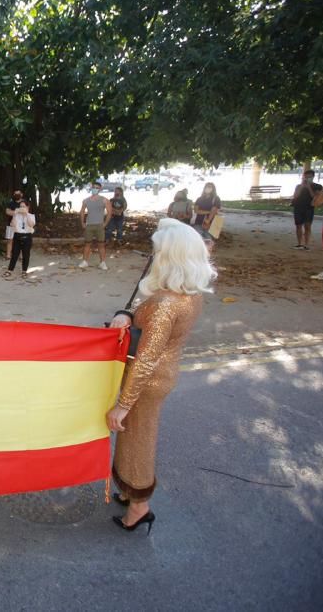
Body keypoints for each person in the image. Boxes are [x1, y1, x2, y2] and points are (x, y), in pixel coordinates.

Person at [107, 218, 216, 534]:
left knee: (137, 439)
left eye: (157, 252)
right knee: (132, 438)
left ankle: (139, 506)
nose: (152, 257)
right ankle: (129, 491)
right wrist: (127, 315)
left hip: (148, 381)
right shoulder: (188, 293)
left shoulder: (165, 304)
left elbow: (145, 360)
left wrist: (122, 405)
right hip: (163, 375)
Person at [79, 181, 111, 270]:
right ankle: (85, 261)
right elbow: (82, 212)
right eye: (93, 187)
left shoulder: (104, 200)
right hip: (89, 225)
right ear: (91, 188)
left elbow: (109, 213)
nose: (95, 189)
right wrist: (82, 223)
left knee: (101, 244)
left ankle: (102, 262)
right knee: (87, 244)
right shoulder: (86, 200)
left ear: (100, 189)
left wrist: (105, 224)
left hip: (100, 225)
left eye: (97, 188)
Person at [4, 198, 36, 278]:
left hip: (27, 237)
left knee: (26, 255)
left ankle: (24, 271)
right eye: (20, 206)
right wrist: (15, 214)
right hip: (17, 236)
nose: (22, 208)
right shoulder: (16, 215)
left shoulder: (31, 216)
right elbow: (12, 224)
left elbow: (31, 224)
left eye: (23, 206)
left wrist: (26, 214)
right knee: (14, 254)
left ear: (27, 207)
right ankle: (10, 270)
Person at [291, 170, 321, 250]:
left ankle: (306, 244)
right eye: (306, 177)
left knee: (307, 226)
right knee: (298, 225)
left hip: (309, 208)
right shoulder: (298, 186)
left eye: (309, 177)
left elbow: (315, 197)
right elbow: (295, 196)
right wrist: (301, 187)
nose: (307, 178)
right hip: (298, 207)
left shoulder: (317, 186)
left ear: (313, 177)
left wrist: (309, 187)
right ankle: (299, 243)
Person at [4, 190, 23, 260]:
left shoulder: (24, 203)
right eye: (15, 193)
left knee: (21, 240)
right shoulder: (11, 203)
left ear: (21, 194)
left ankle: (21, 256)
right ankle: (8, 255)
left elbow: (26, 212)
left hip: (21, 225)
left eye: (18, 193)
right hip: (11, 224)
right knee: (10, 240)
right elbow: (7, 212)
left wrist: (14, 212)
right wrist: (17, 212)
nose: (17, 195)